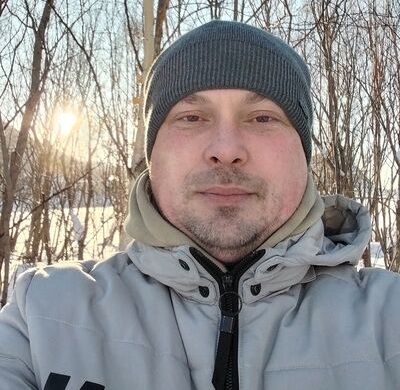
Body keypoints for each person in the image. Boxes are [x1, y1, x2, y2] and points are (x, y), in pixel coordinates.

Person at [0, 20, 399, 390]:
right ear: (152, 156)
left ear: (304, 154)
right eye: (191, 117)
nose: (225, 150)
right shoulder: (42, 317)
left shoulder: (390, 320)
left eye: (262, 118)